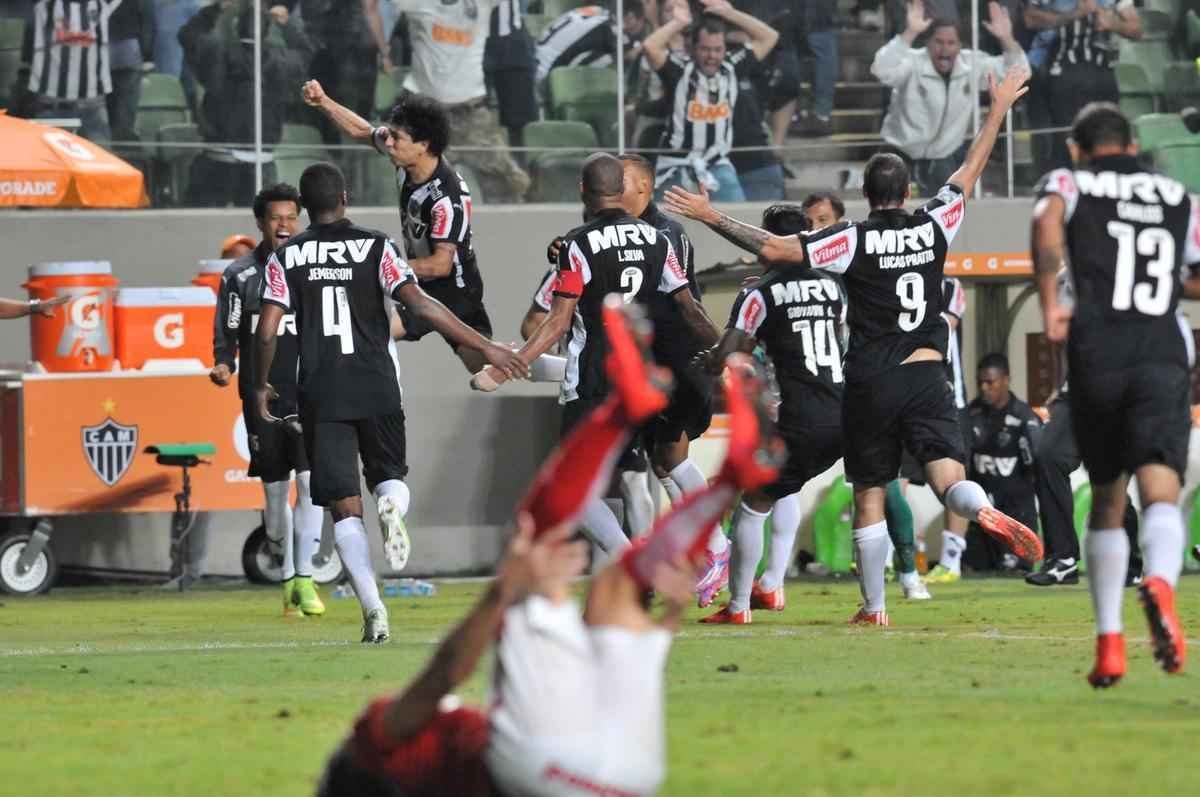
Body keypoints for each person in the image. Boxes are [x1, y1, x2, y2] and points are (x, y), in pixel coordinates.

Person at [315, 301, 782, 797]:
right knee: (542, 549)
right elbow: (446, 671)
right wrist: (502, 593)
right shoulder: (373, 748)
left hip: (627, 773)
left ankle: (721, 476)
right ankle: (663, 439)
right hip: (549, 761)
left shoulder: (431, 770)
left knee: (613, 591)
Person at [664, 64, 1042, 626]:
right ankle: (982, 508)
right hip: (929, 373)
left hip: (871, 381)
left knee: (870, 492)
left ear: (865, 195)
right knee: (948, 478)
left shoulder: (852, 239)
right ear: (908, 192)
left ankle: (874, 609)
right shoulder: (936, 223)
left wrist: (708, 214)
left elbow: (775, 251)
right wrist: (999, 109)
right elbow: (969, 169)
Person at [254, 162, 527, 642]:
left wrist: (260, 385)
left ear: (304, 206)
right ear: (344, 197)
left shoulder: (287, 256)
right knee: (390, 478)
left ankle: (374, 610)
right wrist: (485, 346)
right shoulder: (377, 245)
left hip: (322, 392)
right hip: (378, 384)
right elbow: (421, 304)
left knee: (344, 509)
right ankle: (391, 505)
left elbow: (267, 329)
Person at [475, 154, 716, 561]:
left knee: (569, 487)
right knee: (652, 472)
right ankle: (701, 550)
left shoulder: (577, 244)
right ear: (621, 190)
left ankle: (627, 561)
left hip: (594, 383)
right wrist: (727, 351)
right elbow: (691, 309)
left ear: (583, 191)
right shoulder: (658, 239)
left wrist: (507, 368)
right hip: (643, 382)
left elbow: (556, 322)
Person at [1031, 102, 1198, 687]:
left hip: (1098, 352)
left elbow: (1046, 224)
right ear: (1132, 145)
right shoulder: (1177, 196)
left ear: (1077, 148)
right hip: (1161, 351)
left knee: (1107, 498)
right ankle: (1161, 582)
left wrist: (1050, 301)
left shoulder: (1069, 181)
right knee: (1160, 489)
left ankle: (1109, 645)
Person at [699, 203, 848, 623]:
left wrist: (709, 360)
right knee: (787, 489)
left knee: (754, 503)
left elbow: (732, 351)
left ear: (769, 242)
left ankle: (739, 605)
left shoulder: (758, 293)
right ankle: (773, 584)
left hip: (796, 415)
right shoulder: (834, 286)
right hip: (843, 413)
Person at [301, 86, 509, 377]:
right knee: (487, 368)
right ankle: (524, 361)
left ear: (423, 145)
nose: (388, 143)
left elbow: (441, 265)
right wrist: (324, 101)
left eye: (396, 138)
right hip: (424, 281)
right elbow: (362, 131)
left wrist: (382, 266)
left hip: (453, 290)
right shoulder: (405, 159)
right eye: (389, 135)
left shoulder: (446, 199)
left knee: (367, 329)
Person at [209, 183, 328, 615]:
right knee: (277, 499)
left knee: (311, 484)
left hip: (309, 395)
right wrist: (224, 365)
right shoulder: (240, 276)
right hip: (263, 398)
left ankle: (304, 579)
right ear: (260, 222)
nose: (284, 225)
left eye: (291, 217)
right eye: (276, 217)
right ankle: (278, 545)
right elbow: (227, 332)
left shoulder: (314, 268)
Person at [614, 153, 727, 600]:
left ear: (644, 186)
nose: (612, 189)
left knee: (672, 459)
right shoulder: (621, 231)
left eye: (621, 181)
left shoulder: (666, 233)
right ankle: (698, 551)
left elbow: (683, 305)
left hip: (680, 361)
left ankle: (717, 548)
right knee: (662, 462)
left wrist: (723, 352)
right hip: (652, 365)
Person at [1026, 267, 1143, 587]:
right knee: (1048, 456)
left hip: (1119, 393)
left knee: (1109, 483)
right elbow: (1061, 341)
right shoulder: (1064, 278)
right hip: (1074, 393)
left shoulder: (1127, 267)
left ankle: (1130, 562)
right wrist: (1057, 384)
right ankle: (1062, 558)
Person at [871, 1, 1028, 197]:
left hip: (942, 159)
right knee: (888, 211)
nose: (944, 49)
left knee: (947, 211)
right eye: (939, 42)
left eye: (951, 43)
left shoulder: (971, 65)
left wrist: (1006, 38)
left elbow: (1021, 73)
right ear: (928, 43)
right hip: (898, 154)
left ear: (960, 46)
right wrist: (910, 33)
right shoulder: (913, 62)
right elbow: (880, 69)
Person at [391, 0, 530, 203]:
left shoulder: (482, 5)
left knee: (509, 185)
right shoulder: (417, 4)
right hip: (424, 117)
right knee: (417, 192)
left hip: (471, 115)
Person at [642, 0, 779, 202]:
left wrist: (730, 13)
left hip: (718, 165)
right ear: (693, 48)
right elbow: (650, 46)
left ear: (725, 49)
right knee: (665, 220)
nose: (711, 56)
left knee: (736, 219)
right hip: (676, 165)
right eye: (705, 49)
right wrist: (679, 22)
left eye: (717, 49)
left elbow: (770, 36)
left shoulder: (732, 67)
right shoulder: (679, 70)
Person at [179, 0, 313, 206]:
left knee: (203, 221)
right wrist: (288, 24)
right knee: (257, 223)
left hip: (220, 157)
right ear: (268, 29)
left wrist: (215, 10)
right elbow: (305, 52)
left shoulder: (217, 52)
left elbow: (187, 35)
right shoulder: (281, 61)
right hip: (260, 159)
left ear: (237, 25)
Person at [1024, 0, 1142, 173]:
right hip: (1061, 69)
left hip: (1101, 71)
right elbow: (1030, 19)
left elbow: (1137, 30)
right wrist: (1073, 15)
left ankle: (1108, 178)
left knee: (1108, 130)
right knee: (1066, 138)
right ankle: (1067, 180)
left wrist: (1113, 23)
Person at [961, 353, 1043, 573]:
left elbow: (1038, 468)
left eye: (990, 382)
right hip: (982, 516)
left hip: (1016, 518)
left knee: (1015, 575)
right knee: (970, 572)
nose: (984, 388)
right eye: (980, 382)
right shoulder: (970, 414)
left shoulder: (1025, 418)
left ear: (1005, 380)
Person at [26, 0, 120, 145]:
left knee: (98, 157)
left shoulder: (100, 4)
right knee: (51, 157)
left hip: (86, 101)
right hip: (55, 100)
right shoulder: (46, 5)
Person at [300, 0, 390, 147]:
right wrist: (384, 52)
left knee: (345, 102)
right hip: (348, 45)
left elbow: (370, 9)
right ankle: (342, 149)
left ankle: (340, 149)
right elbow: (370, 9)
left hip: (344, 43)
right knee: (349, 102)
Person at [534, 1, 646, 87]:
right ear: (631, 17)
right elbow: (620, 59)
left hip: (535, 62)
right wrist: (629, 54)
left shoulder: (597, 10)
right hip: (542, 79)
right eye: (643, 21)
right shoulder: (608, 30)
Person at [484, 0, 538, 148]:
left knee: (519, 123)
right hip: (468, 44)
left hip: (514, 45)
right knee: (468, 120)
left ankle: (520, 161)